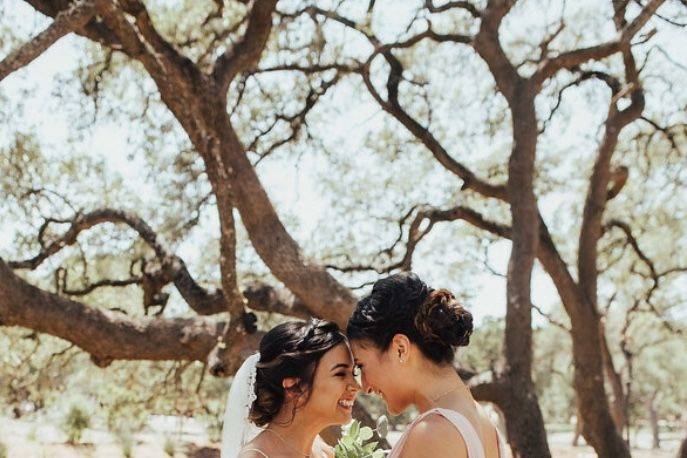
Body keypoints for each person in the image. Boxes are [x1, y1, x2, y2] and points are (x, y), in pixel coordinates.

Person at [347, 272, 508, 458]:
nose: (364, 386)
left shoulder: (433, 433)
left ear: (400, 349)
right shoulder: (485, 425)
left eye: (362, 365)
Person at [222, 318, 361, 458]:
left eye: (354, 373)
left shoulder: (325, 452)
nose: (356, 386)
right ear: (295, 387)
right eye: (340, 373)